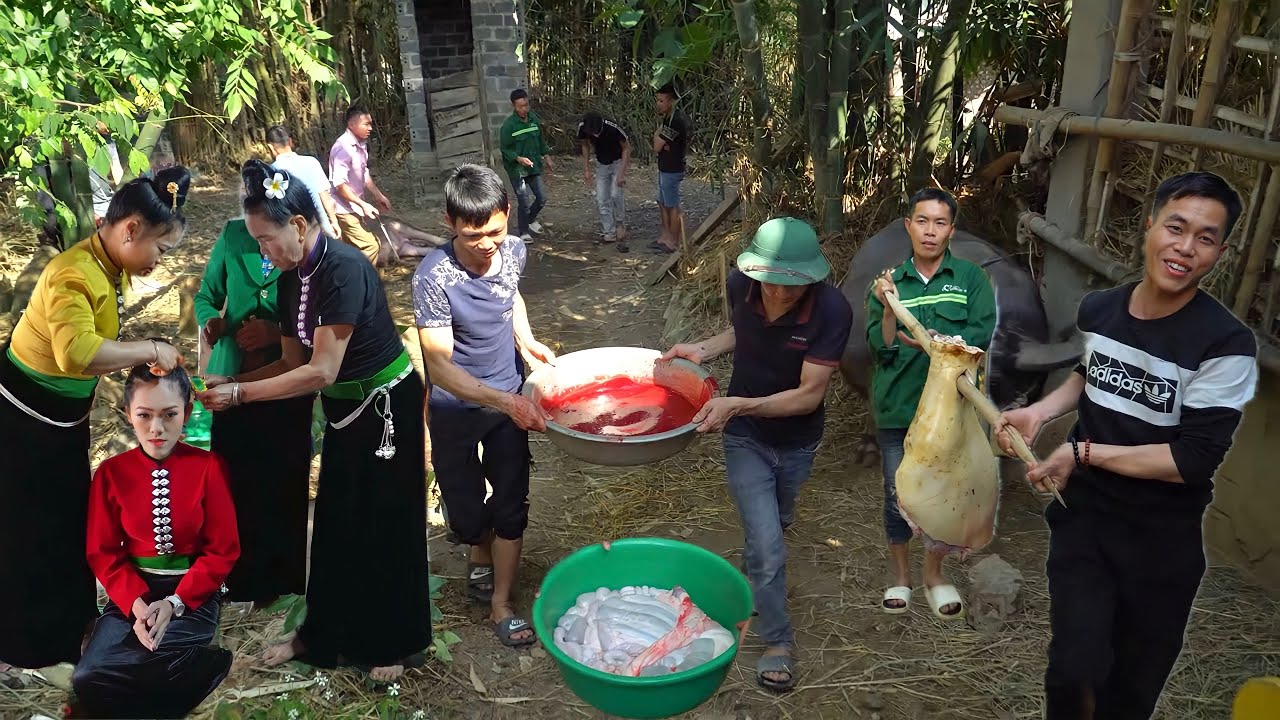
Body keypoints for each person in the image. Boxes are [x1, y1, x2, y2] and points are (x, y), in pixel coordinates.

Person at [995, 172, 1258, 719]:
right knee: (1073, 671)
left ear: (1221, 252)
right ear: (1150, 227)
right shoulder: (1101, 311)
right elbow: (1092, 376)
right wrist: (1039, 413)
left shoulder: (1226, 344)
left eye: (1205, 238)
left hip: (1161, 542)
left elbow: (1192, 460)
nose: (1185, 247)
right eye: (1176, 227)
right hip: (1086, 521)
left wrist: (1081, 452)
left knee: (1129, 696)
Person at [197, 160, 430, 681]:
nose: (261, 252)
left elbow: (321, 371)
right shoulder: (289, 279)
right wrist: (230, 385)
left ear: (298, 225)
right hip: (346, 412)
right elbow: (292, 363)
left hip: (385, 407)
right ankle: (316, 634)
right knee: (334, 526)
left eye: (265, 239)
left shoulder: (343, 269)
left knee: (387, 525)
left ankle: (390, 642)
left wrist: (242, 394)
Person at [0, 168, 188, 671]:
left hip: (62, 420)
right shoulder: (72, 271)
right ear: (130, 230)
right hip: (24, 423)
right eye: (159, 249)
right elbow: (75, 352)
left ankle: (71, 630)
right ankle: (24, 643)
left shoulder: (104, 267)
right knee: (27, 532)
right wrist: (148, 347)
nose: (157, 261)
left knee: (67, 525)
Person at [663, 217, 852, 692]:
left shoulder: (832, 309)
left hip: (798, 439)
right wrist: (703, 350)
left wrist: (736, 404)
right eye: (773, 283)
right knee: (768, 544)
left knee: (778, 522)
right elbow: (743, 332)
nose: (782, 294)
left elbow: (809, 395)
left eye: (795, 285)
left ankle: (755, 573)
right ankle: (778, 641)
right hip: (745, 435)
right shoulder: (739, 285)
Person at [412, 164, 556, 648]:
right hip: (457, 406)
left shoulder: (513, 250)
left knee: (512, 503)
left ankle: (501, 602)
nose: (486, 244)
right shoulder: (434, 275)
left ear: (507, 215)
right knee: (467, 514)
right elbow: (442, 368)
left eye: (495, 230)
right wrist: (505, 400)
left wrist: (527, 340)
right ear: (450, 222)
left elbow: (510, 296)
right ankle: (478, 550)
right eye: (473, 235)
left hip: (506, 399)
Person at [71, 365, 239, 719]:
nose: (157, 428)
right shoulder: (111, 474)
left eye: (169, 415)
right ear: (128, 414)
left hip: (191, 594)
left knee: (152, 659)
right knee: (88, 676)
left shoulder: (208, 467)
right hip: (132, 596)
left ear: (188, 413)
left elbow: (222, 549)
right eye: (144, 415)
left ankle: (200, 662)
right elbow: (102, 553)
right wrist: (137, 606)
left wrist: (176, 602)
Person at [866, 187, 996, 620]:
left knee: (946, 494)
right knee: (896, 494)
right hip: (898, 408)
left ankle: (934, 575)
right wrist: (889, 312)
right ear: (908, 225)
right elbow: (879, 349)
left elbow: (978, 338)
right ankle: (900, 575)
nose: (930, 231)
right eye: (922, 221)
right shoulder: (888, 284)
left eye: (940, 223)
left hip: (950, 415)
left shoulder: (970, 280)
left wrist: (939, 347)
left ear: (951, 230)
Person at [194, 196, 313, 608]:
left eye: (264, 231)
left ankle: (283, 580)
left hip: (285, 382)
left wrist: (272, 330)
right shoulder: (231, 237)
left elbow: (301, 316)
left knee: (283, 480)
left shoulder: (299, 249)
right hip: (232, 377)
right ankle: (237, 580)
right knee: (234, 481)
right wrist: (215, 322)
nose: (259, 241)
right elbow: (206, 296)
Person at [329, 105, 392, 266]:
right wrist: (362, 204)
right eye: (366, 124)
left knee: (353, 249)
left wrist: (378, 195)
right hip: (344, 209)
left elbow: (363, 173)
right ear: (351, 125)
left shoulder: (361, 144)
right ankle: (364, 282)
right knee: (370, 246)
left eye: (371, 124)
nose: (370, 128)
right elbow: (339, 185)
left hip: (354, 207)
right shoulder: (342, 149)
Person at [267, 124, 342, 239]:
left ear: (271, 147)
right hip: (321, 227)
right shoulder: (311, 162)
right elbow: (325, 196)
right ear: (290, 141)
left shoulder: (272, 172)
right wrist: (334, 222)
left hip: (295, 234)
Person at [499, 89, 553, 242]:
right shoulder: (509, 126)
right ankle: (523, 232)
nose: (524, 109)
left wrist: (547, 156)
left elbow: (541, 141)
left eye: (526, 105)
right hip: (517, 170)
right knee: (524, 201)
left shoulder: (534, 120)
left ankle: (530, 219)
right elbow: (505, 149)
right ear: (513, 106)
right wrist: (518, 159)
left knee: (542, 198)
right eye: (520, 106)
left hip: (533, 166)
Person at [577, 110, 631, 252]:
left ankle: (620, 224)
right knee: (602, 198)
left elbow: (626, 148)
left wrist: (621, 174)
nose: (595, 135)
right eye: (592, 133)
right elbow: (585, 145)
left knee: (616, 194)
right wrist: (587, 168)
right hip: (602, 163)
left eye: (596, 132)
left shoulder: (612, 127)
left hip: (617, 161)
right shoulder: (583, 127)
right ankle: (609, 231)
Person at [651, 83, 689, 254]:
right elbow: (658, 141)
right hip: (665, 167)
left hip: (672, 169)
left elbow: (657, 145)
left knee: (672, 205)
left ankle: (674, 241)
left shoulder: (675, 122)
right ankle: (665, 236)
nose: (658, 104)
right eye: (657, 100)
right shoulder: (668, 119)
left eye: (661, 100)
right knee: (662, 201)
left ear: (671, 101)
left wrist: (657, 137)